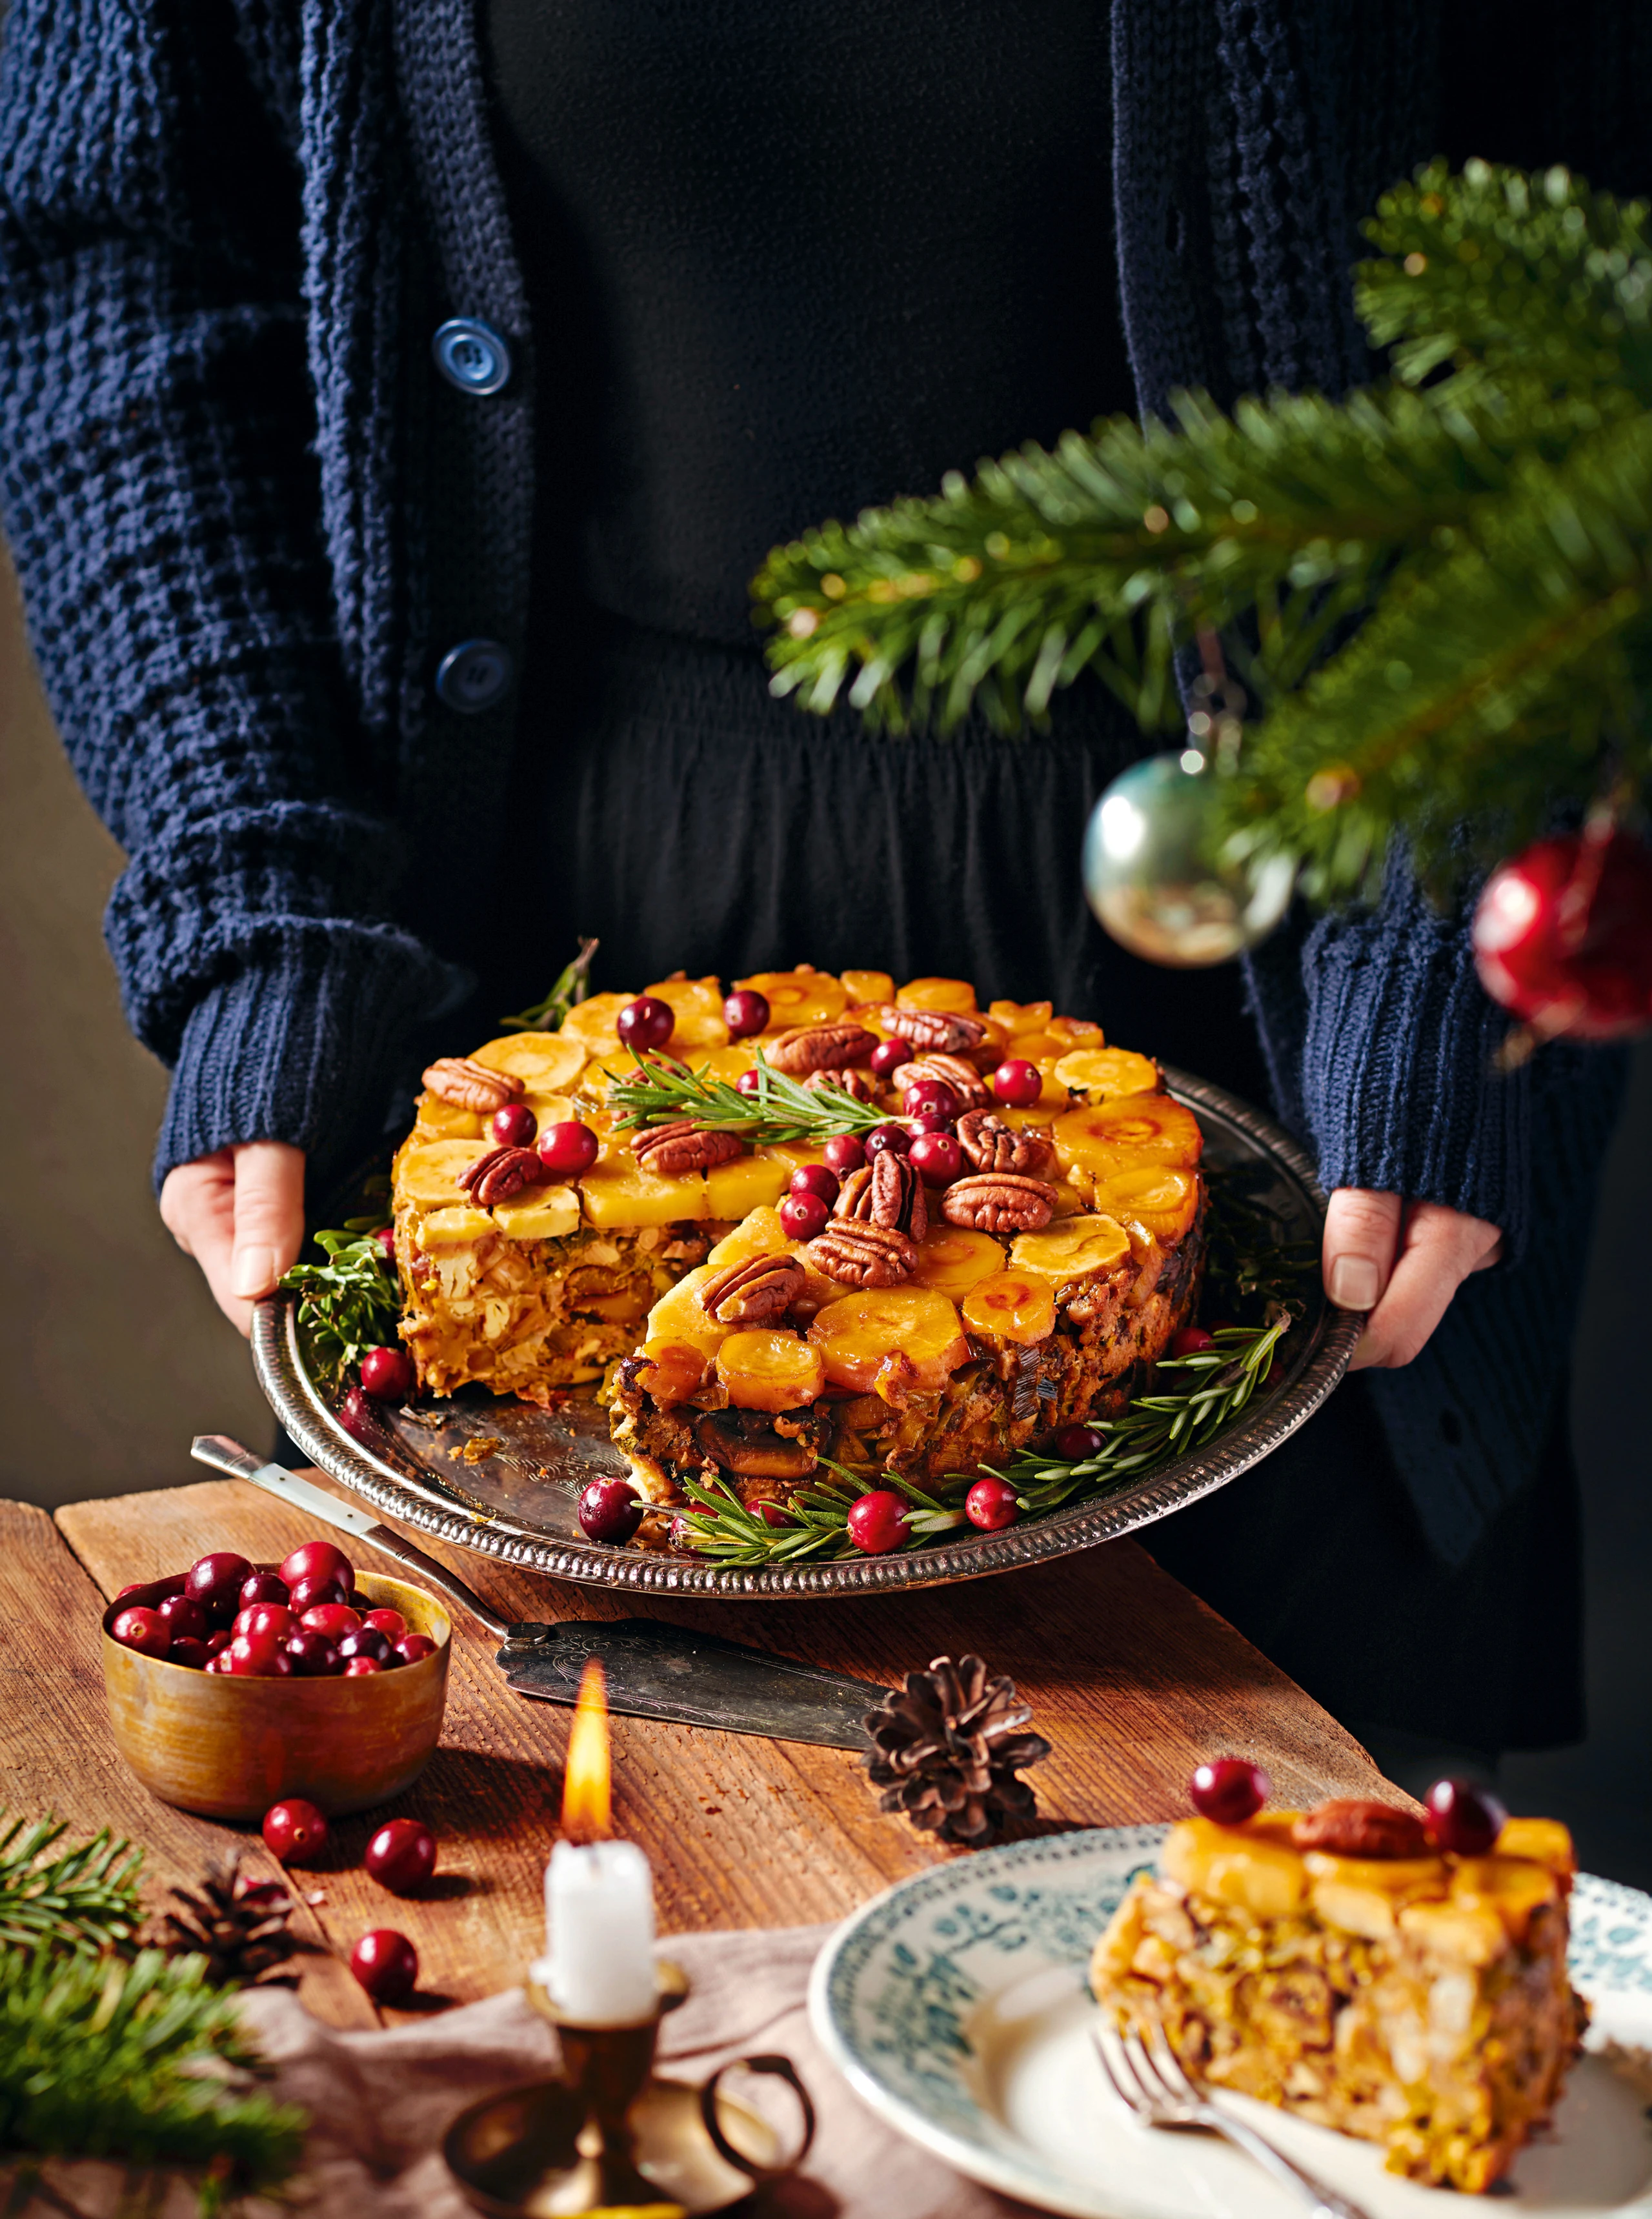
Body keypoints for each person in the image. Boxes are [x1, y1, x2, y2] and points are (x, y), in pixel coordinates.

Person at [0, 0, 1636, 1771]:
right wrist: (253, 873)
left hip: (1280, 994)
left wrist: (1455, 887)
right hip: (546, 972)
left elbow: (1601, 290)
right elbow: (115, 261)